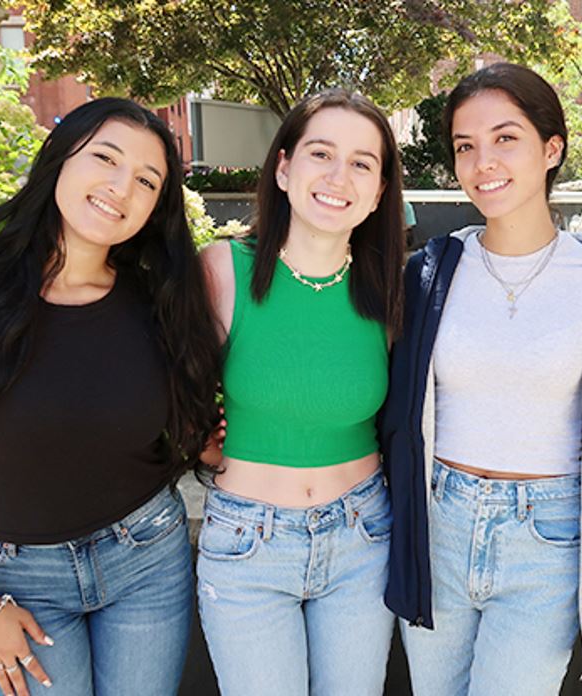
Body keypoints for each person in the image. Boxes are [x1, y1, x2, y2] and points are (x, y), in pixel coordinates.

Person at [0, 97, 222, 696]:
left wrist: (208, 448)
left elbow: (173, 425)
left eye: (146, 180)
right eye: (105, 158)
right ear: (59, 160)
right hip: (16, 577)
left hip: (147, 560)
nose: (121, 187)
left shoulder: (156, 299)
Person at [380, 63, 582, 695]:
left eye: (505, 138)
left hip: (547, 537)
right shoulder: (430, 272)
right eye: (465, 146)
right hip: (437, 522)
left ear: (551, 149)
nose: (482, 162)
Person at [196, 89, 405, 696]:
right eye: (321, 153)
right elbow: (163, 388)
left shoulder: (392, 290)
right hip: (247, 546)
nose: (339, 176)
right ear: (284, 168)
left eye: (363, 163)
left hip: (362, 540)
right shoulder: (222, 270)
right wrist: (197, 443)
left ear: (379, 193)